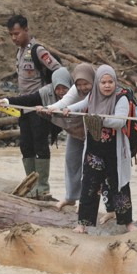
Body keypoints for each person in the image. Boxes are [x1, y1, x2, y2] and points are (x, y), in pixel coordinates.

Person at [63, 65, 136, 234]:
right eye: (103, 82)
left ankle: (128, 223)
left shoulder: (121, 98)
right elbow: (81, 105)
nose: (107, 85)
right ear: (98, 83)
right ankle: (82, 224)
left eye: (110, 81)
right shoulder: (93, 95)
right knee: (89, 185)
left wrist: (99, 120)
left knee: (119, 186)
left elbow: (120, 121)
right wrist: (68, 109)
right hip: (94, 151)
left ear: (115, 82)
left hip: (114, 151)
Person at [6, 14, 62, 198]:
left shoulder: (38, 51)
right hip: (24, 105)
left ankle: (42, 186)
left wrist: (49, 92)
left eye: (17, 33)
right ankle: (30, 183)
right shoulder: (20, 51)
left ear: (26, 30)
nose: (14, 38)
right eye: (11, 35)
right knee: (25, 144)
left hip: (39, 104)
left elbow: (59, 71)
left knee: (40, 143)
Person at [40, 63, 95, 210]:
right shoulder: (75, 89)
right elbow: (64, 101)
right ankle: (71, 197)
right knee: (71, 161)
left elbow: (85, 103)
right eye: (79, 84)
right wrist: (49, 108)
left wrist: (67, 109)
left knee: (88, 165)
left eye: (86, 84)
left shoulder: (98, 89)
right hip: (77, 131)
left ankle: (86, 200)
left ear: (92, 80)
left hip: (94, 132)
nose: (83, 88)